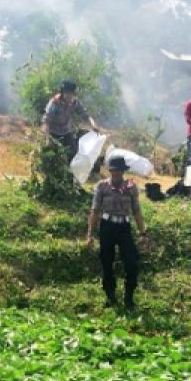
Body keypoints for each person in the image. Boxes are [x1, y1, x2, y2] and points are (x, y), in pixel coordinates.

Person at [86, 156, 147, 309]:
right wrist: (90, 234)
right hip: (107, 227)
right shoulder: (101, 187)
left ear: (123, 171)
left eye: (119, 171)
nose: (116, 174)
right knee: (106, 262)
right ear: (110, 171)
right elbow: (95, 211)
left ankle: (129, 298)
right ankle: (110, 296)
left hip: (124, 227)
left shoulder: (131, 188)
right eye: (113, 171)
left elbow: (137, 212)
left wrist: (142, 233)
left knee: (132, 263)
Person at [41, 80, 100, 162]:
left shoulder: (74, 103)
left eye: (71, 94)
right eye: (67, 93)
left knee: (73, 153)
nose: (69, 96)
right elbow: (46, 122)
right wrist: (47, 139)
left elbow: (85, 115)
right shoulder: (54, 104)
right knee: (49, 155)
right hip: (52, 133)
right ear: (62, 93)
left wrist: (93, 125)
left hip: (66, 132)